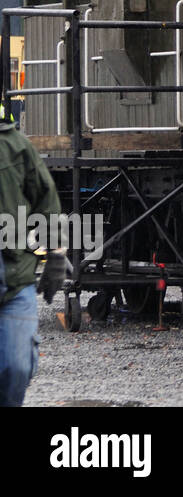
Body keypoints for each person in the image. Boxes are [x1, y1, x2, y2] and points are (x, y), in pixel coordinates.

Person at [0, 101, 64, 407]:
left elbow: (46, 197)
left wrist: (56, 256)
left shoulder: (14, 146)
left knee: (17, 367)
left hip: (14, 277)